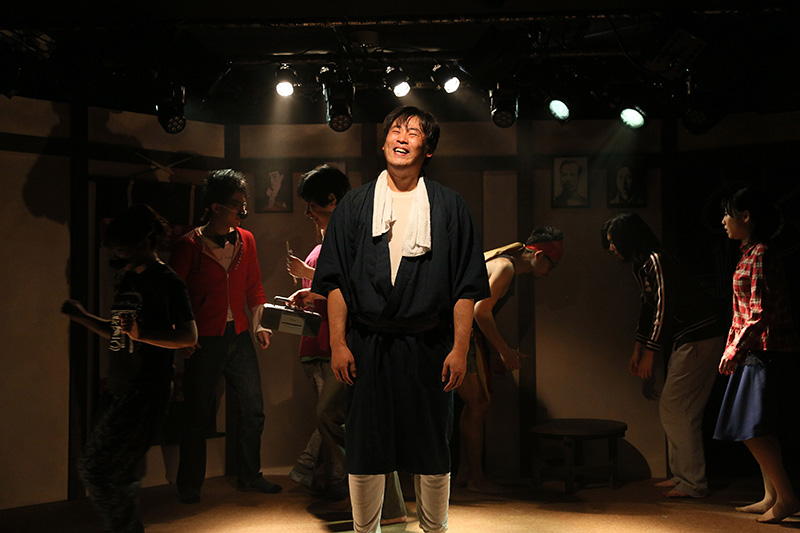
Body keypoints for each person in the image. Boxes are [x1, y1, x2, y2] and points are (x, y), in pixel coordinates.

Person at [311, 106, 490, 533]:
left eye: (413, 131)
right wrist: (338, 343)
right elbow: (335, 281)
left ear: (428, 149)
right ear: (384, 142)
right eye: (395, 129)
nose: (402, 136)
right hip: (367, 344)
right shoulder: (355, 205)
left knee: (432, 443)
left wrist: (460, 349)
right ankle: (365, 529)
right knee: (365, 443)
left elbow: (465, 287)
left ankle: (434, 529)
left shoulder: (449, 207)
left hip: (429, 344)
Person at [61, 204, 197, 532]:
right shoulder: (128, 278)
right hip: (121, 384)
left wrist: (143, 334)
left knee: (98, 469)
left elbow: (188, 337)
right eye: (117, 250)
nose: (119, 256)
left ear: (146, 242)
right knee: (111, 470)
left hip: (147, 388)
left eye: (124, 249)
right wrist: (82, 316)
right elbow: (119, 331)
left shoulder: (167, 282)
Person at [287, 164, 408, 523]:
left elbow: (366, 285)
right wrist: (315, 292)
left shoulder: (358, 230)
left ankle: (377, 501)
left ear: (332, 199)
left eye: (312, 205)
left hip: (367, 339)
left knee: (339, 415)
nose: (308, 213)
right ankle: (382, 504)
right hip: (359, 337)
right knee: (360, 419)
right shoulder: (345, 231)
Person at [169, 169, 281, 504]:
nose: (242, 211)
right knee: (198, 411)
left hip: (239, 334)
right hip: (204, 338)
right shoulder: (188, 245)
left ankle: (250, 475)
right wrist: (183, 336)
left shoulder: (246, 240)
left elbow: (254, 286)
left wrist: (260, 325)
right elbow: (173, 295)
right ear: (216, 207)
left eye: (243, 205)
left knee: (252, 408)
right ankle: (190, 483)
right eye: (236, 205)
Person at [602, 212, 726, 498]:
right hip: (690, 339)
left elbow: (663, 307)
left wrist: (650, 353)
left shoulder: (656, 260)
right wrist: (638, 348)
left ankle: (692, 482)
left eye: (613, 240)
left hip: (700, 336)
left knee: (676, 407)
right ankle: (684, 477)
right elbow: (647, 309)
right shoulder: (642, 265)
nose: (611, 247)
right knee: (680, 409)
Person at [714, 186, 800, 523]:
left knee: (751, 427)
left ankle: (787, 497)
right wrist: (731, 347)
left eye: (728, 214)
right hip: (752, 349)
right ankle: (771, 496)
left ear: (746, 216)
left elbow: (759, 312)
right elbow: (741, 312)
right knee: (759, 428)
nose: (724, 221)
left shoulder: (761, 253)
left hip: (764, 350)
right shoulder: (748, 253)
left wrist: (735, 349)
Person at [456, 226, 563, 494]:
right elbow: (480, 312)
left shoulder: (504, 262)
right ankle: (476, 479)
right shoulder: (505, 267)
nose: (550, 272)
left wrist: (494, 351)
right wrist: (504, 351)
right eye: (552, 264)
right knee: (478, 403)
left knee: (474, 404)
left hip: (462, 333)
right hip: (457, 333)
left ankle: (465, 473)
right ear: (539, 255)